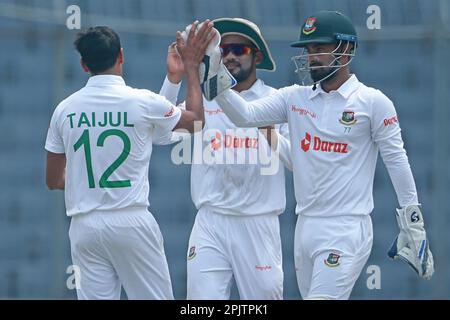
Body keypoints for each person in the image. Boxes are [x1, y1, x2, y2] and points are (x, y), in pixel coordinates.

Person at [182, 11, 434, 299]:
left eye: (320, 48)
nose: (312, 56)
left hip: (347, 226)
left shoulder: (373, 102)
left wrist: (413, 221)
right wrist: (215, 75)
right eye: (309, 49)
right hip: (306, 226)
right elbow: (245, 115)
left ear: (347, 48)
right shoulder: (294, 98)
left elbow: (396, 160)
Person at [45, 23, 215, 299]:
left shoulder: (64, 110)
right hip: (131, 220)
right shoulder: (141, 101)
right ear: (121, 56)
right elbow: (194, 122)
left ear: (84, 65)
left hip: (84, 227)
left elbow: (53, 180)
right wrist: (190, 68)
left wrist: (172, 79)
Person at [159, 18, 291, 299]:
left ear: (257, 56)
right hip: (211, 222)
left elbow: (296, 162)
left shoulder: (276, 100)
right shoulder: (203, 101)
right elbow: (159, 133)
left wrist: (267, 130)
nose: (230, 55)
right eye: (225, 49)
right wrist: (174, 79)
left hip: (258, 222)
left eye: (239, 50)